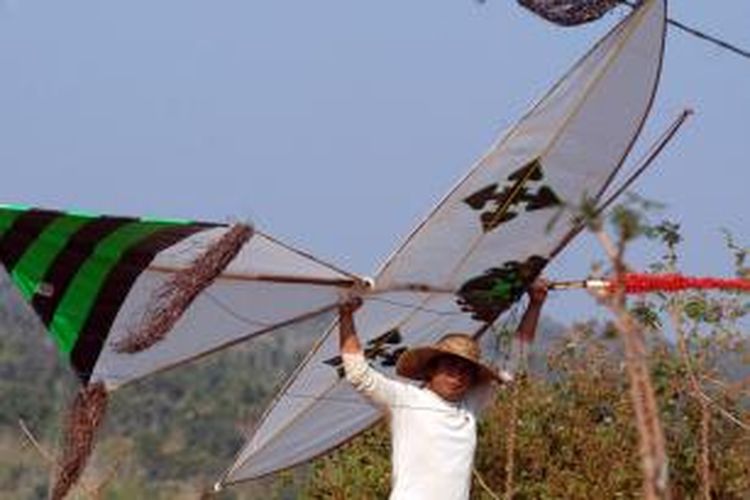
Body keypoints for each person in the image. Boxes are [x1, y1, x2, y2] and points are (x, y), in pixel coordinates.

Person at [338, 279, 549, 500]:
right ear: (431, 370)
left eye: (465, 371)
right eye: (450, 367)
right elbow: (358, 374)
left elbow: (512, 364)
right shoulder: (406, 400)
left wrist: (535, 305)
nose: (457, 376)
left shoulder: (469, 407)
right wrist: (346, 317)